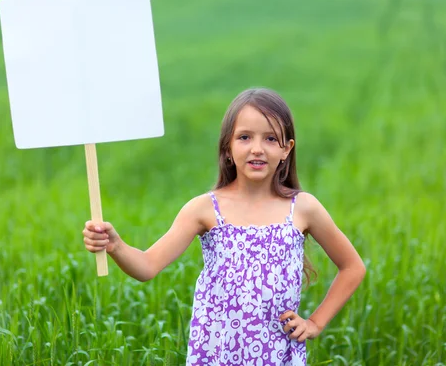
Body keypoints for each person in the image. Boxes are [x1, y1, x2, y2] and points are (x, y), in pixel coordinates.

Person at [82, 87, 366, 365]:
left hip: (277, 355)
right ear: (228, 147)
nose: (257, 148)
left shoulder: (303, 208)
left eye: (270, 139)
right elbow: (147, 266)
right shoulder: (204, 209)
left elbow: (353, 266)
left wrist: (315, 322)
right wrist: (115, 246)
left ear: (286, 150)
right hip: (217, 354)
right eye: (244, 137)